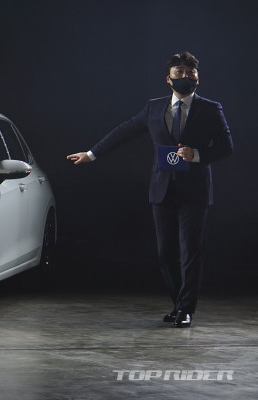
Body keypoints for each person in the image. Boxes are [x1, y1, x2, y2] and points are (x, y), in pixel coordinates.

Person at [66, 51, 233, 328]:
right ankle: (177, 304)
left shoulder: (211, 109)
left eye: (190, 73)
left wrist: (197, 155)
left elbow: (227, 147)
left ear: (197, 78)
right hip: (162, 189)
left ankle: (186, 310)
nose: (185, 77)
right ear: (168, 79)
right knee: (166, 252)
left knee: (190, 251)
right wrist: (92, 154)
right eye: (179, 73)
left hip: (195, 192)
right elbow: (125, 131)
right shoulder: (154, 108)